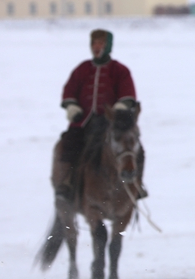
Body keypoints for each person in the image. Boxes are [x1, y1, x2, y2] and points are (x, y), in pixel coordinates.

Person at [50, 29, 144, 203]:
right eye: (94, 43)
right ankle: (66, 183)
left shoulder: (120, 70)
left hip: (110, 124)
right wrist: (72, 108)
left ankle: (136, 184)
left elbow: (128, 96)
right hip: (82, 122)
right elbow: (69, 91)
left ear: (108, 46)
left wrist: (118, 111)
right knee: (67, 146)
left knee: (135, 148)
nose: (96, 47)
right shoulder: (82, 69)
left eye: (101, 43)